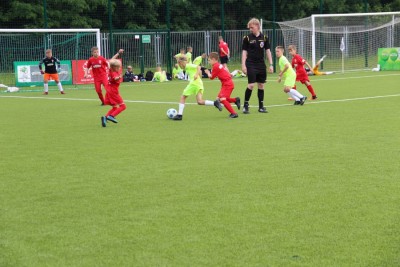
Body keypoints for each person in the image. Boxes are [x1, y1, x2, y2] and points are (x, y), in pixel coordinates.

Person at [172, 56, 222, 121]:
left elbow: (198, 67)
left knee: (183, 97)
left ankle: (179, 115)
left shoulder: (188, 65)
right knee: (199, 101)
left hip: (194, 83)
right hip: (199, 83)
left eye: (179, 64)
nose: (179, 65)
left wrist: (196, 74)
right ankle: (215, 103)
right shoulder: (187, 66)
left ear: (182, 62)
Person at [241, 18, 274, 114]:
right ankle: (246, 105)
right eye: (249, 28)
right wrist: (243, 65)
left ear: (257, 26)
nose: (250, 29)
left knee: (261, 85)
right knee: (251, 85)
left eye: (252, 27)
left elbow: (268, 51)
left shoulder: (264, 38)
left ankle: (261, 106)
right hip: (250, 64)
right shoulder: (247, 38)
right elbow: (244, 52)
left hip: (261, 64)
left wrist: (271, 64)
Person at [204, 52, 240, 118]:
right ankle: (235, 100)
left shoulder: (215, 66)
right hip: (226, 84)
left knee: (222, 99)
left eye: (209, 60)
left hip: (227, 84)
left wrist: (208, 73)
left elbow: (211, 77)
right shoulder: (218, 65)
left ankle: (234, 113)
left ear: (214, 59)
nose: (209, 62)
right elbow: (227, 74)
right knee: (218, 99)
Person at [101, 59, 127, 127]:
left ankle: (105, 117)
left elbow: (110, 61)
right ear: (114, 67)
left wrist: (117, 54)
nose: (119, 68)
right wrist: (119, 77)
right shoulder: (114, 73)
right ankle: (111, 116)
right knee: (123, 106)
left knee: (115, 107)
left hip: (109, 90)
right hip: (113, 91)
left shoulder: (110, 70)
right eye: (118, 67)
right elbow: (115, 78)